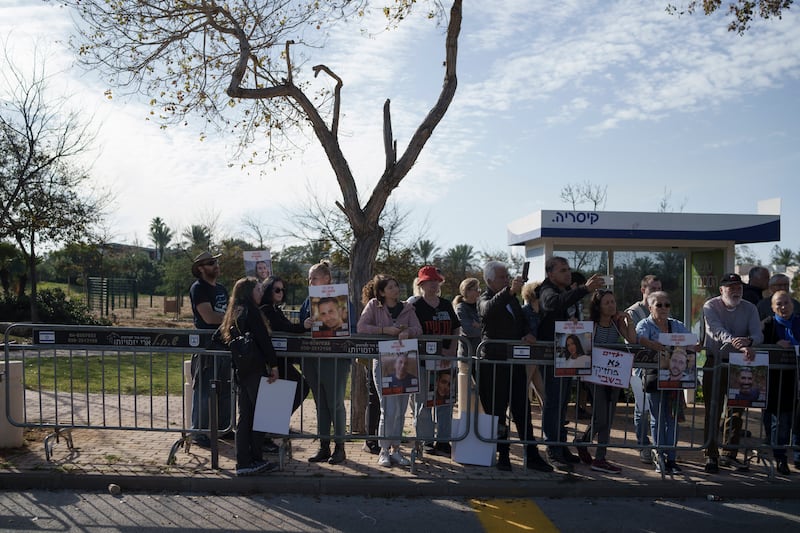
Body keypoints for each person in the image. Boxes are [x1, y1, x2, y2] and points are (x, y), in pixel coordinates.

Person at [477, 260, 553, 473]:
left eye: (506, 276)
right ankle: (503, 455)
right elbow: (487, 311)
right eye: (502, 277)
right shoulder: (487, 297)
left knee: (522, 409)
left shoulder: (511, 301)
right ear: (490, 280)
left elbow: (521, 321)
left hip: (515, 362)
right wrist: (509, 291)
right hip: (494, 364)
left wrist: (527, 333)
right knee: (498, 411)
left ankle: (532, 454)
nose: (506, 279)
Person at [536, 256, 604, 470]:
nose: (567, 273)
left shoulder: (563, 291)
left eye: (568, 270)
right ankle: (553, 448)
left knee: (562, 403)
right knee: (554, 402)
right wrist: (584, 289)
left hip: (565, 354)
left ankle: (561, 445)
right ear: (550, 274)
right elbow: (551, 304)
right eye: (563, 270)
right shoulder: (547, 289)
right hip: (552, 355)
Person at [357, 274, 423, 468]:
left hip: (406, 360)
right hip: (384, 362)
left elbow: (418, 328)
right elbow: (362, 327)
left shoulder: (408, 307)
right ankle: (383, 450)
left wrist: (407, 332)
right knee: (389, 408)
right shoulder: (373, 306)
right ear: (382, 292)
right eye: (391, 287)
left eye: (396, 285)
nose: (396, 289)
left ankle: (396, 450)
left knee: (401, 410)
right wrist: (385, 330)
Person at [702, 272, 763, 474]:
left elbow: (757, 334)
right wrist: (735, 340)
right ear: (721, 290)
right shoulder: (710, 305)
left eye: (738, 287)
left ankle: (730, 454)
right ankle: (711, 454)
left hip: (740, 364)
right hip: (716, 362)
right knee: (713, 409)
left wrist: (750, 342)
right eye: (731, 288)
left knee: (737, 410)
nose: (736, 291)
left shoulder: (750, 307)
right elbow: (714, 330)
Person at [219, 277, 280, 476]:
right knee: (261, 415)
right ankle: (254, 459)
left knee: (246, 416)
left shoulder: (234, 312)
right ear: (249, 291)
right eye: (258, 288)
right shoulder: (251, 311)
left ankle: (244, 461)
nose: (261, 292)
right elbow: (263, 339)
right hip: (255, 369)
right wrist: (274, 365)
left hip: (242, 370)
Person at [636, 291, 700, 475]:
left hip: (675, 380)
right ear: (650, 307)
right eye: (659, 305)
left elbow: (691, 342)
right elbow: (637, 339)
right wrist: (652, 344)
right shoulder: (645, 324)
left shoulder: (677, 325)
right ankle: (660, 457)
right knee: (657, 419)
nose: (664, 308)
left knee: (672, 419)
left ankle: (671, 459)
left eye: (667, 305)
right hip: (654, 377)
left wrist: (694, 346)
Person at [574, 289, 635, 474]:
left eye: (613, 302)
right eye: (607, 302)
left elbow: (632, 340)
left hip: (614, 376)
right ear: (598, 307)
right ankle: (592, 451)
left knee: (607, 417)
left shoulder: (617, 324)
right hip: (595, 377)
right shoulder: (591, 325)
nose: (612, 305)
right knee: (601, 416)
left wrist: (628, 321)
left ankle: (594, 452)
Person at [298, 261, 352, 465]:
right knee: (321, 403)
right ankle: (323, 446)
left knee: (335, 403)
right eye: (309, 278)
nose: (310, 281)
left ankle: (340, 447)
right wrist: (305, 324)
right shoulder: (308, 301)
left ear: (327, 279)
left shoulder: (342, 300)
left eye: (314, 277)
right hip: (312, 358)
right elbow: (301, 325)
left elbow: (351, 327)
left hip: (335, 359)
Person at [411, 265, 460, 457]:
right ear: (421, 284)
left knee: (445, 402)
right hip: (423, 362)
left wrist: (452, 349)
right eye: (429, 282)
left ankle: (443, 441)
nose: (433, 285)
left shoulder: (446, 305)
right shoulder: (414, 306)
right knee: (423, 403)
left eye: (436, 281)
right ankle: (426, 440)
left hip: (445, 362)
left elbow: (456, 328)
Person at [188, 251, 231, 448]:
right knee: (204, 391)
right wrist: (233, 318)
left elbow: (228, 311)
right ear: (201, 268)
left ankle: (224, 428)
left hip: (225, 345)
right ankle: (199, 432)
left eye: (217, 262)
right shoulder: (199, 289)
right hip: (207, 346)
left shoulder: (221, 289)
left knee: (226, 389)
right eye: (211, 263)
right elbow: (209, 317)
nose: (217, 265)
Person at [259, 275, 310, 416]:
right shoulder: (266, 309)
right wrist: (303, 327)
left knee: (299, 387)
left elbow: (286, 326)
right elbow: (282, 327)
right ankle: (276, 421)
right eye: (276, 289)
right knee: (300, 387)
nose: (280, 292)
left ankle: (277, 422)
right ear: (268, 290)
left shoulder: (275, 309)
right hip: (271, 360)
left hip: (280, 360)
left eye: (282, 289)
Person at [761, 290, 800, 475]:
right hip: (776, 381)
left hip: (797, 379)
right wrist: (775, 344)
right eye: (779, 304)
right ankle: (781, 458)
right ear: (772, 307)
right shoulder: (768, 325)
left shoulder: (799, 322)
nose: (783, 307)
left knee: (796, 421)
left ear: (792, 304)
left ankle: (798, 458)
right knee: (780, 422)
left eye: (786, 303)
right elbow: (758, 344)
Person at [625, 274, 661, 463]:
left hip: (657, 366)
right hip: (638, 367)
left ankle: (658, 446)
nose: (656, 292)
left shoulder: (661, 308)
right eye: (653, 288)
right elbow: (632, 340)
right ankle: (643, 444)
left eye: (659, 288)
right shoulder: (633, 312)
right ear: (643, 290)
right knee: (642, 409)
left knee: (656, 408)